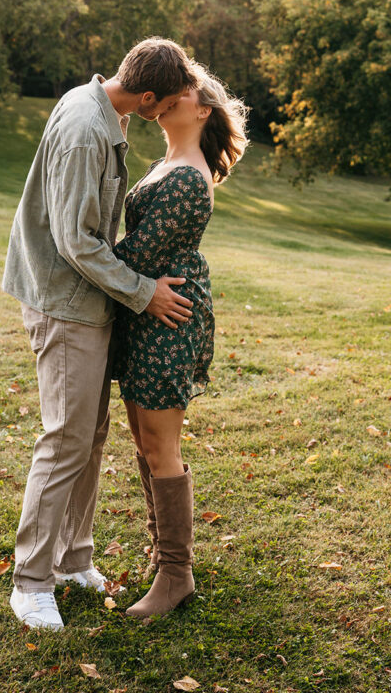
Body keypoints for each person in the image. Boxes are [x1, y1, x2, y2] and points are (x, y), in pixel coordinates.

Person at [2, 38, 199, 631]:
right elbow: (76, 241)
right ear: (145, 95)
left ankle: (71, 559)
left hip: (86, 302)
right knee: (65, 437)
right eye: (161, 106)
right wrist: (145, 291)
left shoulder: (103, 109)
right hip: (65, 304)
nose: (163, 115)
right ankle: (31, 583)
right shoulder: (88, 130)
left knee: (89, 433)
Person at [111, 66, 249, 618]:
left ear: (202, 111)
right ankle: (162, 557)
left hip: (169, 320)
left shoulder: (190, 178)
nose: (168, 98)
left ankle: (176, 575)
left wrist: (74, 260)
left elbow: (137, 255)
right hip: (143, 313)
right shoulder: (163, 166)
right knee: (145, 441)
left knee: (161, 446)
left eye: (182, 93)